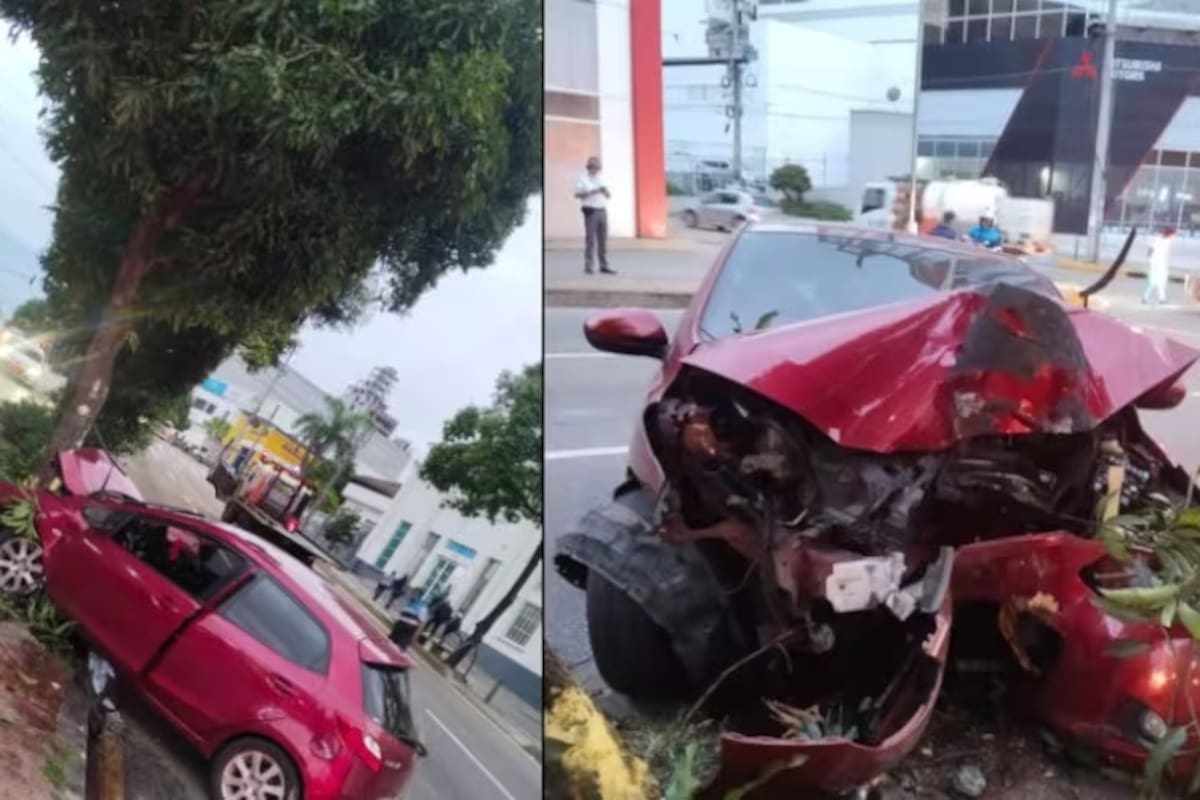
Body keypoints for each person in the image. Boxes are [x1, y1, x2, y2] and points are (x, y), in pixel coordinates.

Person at [575, 156, 615, 275]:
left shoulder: (602, 178)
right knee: (590, 239)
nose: (595, 170)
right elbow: (577, 195)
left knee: (603, 239)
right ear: (589, 167)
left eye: (597, 168)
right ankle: (589, 265)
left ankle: (604, 265)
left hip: (602, 210)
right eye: (593, 167)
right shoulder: (583, 178)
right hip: (590, 211)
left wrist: (605, 191)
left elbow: (608, 195)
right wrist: (593, 191)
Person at [1145, 226, 1175, 306]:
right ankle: (1159, 298)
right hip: (1159, 264)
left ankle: (1148, 298)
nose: (1173, 237)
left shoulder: (1159, 239)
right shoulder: (1166, 241)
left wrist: (1149, 257)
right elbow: (1152, 249)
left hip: (1155, 263)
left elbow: (1151, 249)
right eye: (1172, 235)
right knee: (1159, 281)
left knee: (1154, 281)